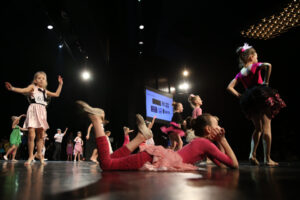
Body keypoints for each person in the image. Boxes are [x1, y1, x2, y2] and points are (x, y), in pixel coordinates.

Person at [76, 100, 239, 171]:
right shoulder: (206, 144)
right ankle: (97, 120)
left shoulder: (205, 144)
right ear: (209, 130)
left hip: (156, 157)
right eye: (217, 125)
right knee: (106, 164)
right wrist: (223, 140)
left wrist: (219, 142)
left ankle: (140, 138)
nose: (220, 128)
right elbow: (233, 164)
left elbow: (223, 164)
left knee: (110, 159)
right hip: (153, 159)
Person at [227, 43, 286, 166]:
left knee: (258, 128)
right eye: (256, 57)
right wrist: (266, 81)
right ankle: (267, 158)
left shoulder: (241, 72)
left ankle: (252, 155)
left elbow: (229, 87)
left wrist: (240, 95)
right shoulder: (254, 66)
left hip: (249, 99)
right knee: (266, 127)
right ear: (251, 57)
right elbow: (268, 65)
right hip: (261, 94)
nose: (257, 59)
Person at [5, 71, 63, 164]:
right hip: (33, 110)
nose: (41, 80)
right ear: (35, 80)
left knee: (40, 135)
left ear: (45, 81)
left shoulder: (45, 91)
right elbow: (23, 90)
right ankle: (31, 156)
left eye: (43, 78)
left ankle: (39, 155)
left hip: (42, 111)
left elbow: (56, 94)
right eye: (39, 78)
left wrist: (60, 84)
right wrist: (12, 88)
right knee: (31, 135)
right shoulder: (33, 87)